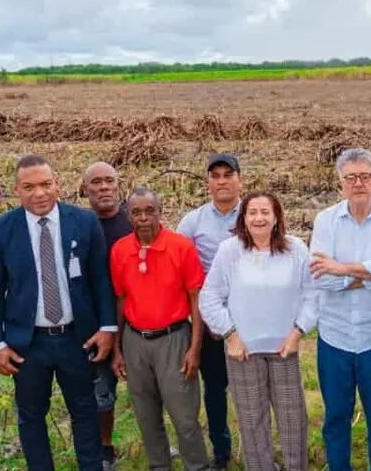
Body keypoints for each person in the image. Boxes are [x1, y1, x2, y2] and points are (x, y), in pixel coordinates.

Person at [0, 155, 117, 471]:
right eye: (29, 187)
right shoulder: (1, 230)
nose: (39, 193)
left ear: (57, 184)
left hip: (76, 338)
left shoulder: (83, 222)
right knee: (31, 415)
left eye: (45, 184)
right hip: (28, 343)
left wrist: (108, 326)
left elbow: (100, 278)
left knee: (84, 410)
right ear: (16, 189)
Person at [199, 192, 320, 471]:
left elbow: (313, 295)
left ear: (276, 217)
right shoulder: (230, 251)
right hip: (244, 351)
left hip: (283, 348)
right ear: (244, 218)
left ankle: (295, 466)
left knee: (293, 418)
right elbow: (210, 297)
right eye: (252, 212)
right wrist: (230, 335)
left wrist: (297, 332)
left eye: (265, 212)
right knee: (252, 420)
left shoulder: (295, 249)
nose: (259, 218)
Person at [310, 148, 371, 471]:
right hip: (335, 336)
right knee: (336, 417)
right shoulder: (326, 220)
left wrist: (342, 268)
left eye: (365, 177)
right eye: (350, 177)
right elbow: (320, 278)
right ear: (340, 183)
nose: (358, 183)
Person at [111, 188, 210, 471]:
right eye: (136, 212)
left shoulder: (180, 246)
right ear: (128, 216)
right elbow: (120, 299)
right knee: (146, 413)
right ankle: (159, 465)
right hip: (135, 340)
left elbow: (195, 297)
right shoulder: (120, 250)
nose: (143, 218)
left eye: (149, 211)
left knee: (185, 416)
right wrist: (117, 349)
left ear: (160, 211)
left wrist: (194, 348)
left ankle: (197, 466)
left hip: (173, 339)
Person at [177, 153, 243, 468]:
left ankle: (258, 446)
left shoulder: (255, 214)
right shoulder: (193, 222)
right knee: (215, 390)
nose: (221, 181)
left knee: (252, 389)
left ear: (239, 179)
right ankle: (222, 449)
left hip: (250, 318)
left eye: (227, 175)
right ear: (208, 183)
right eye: (215, 176)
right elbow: (181, 271)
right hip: (210, 321)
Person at [80, 161, 132, 470]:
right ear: (85, 189)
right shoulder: (79, 224)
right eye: (96, 182)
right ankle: (104, 447)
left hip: (136, 321)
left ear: (118, 184)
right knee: (101, 394)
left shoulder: (134, 220)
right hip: (96, 325)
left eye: (109, 181)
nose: (103, 187)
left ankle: (156, 440)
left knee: (148, 390)